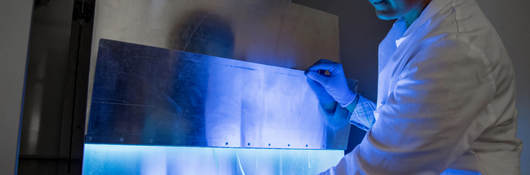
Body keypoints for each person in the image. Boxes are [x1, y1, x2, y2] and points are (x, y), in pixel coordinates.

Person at [305, 0, 522, 174]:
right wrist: (349, 101)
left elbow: (382, 166)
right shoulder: (412, 22)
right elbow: (403, 126)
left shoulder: (453, 49)